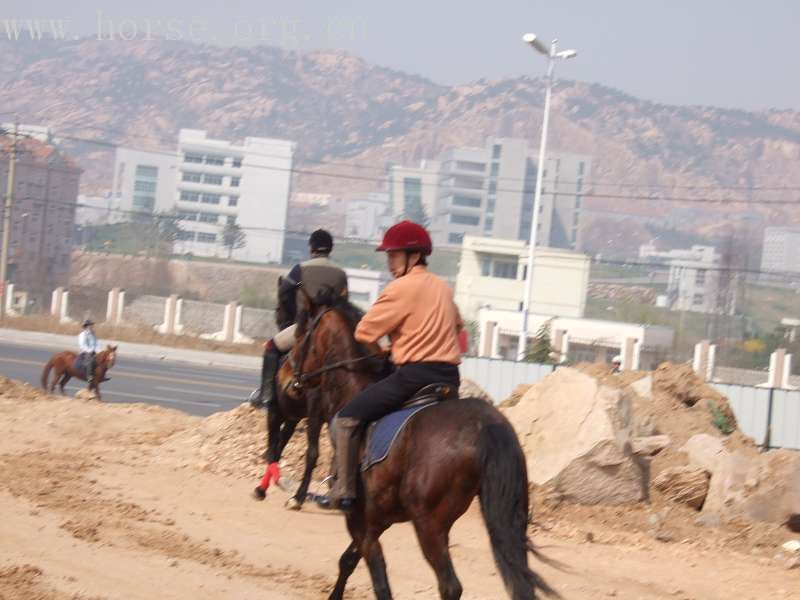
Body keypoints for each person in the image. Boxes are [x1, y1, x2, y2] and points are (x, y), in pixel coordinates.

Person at [324, 220, 463, 512]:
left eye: (393, 255)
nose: (389, 262)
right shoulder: (443, 287)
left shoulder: (400, 287)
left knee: (345, 420)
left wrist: (388, 348)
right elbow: (459, 327)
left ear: (413, 256)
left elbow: (364, 333)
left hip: (414, 377)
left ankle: (345, 491)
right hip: (450, 378)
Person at [253, 229, 348, 408]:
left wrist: (294, 319)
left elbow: (285, 293)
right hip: (333, 333)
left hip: (307, 326)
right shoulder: (341, 274)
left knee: (271, 348)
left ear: (311, 247)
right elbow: (344, 304)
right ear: (330, 249)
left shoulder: (300, 269)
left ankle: (266, 396)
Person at [77, 319, 102, 386]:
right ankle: (89, 377)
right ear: (86, 326)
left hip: (94, 351)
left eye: (92, 325)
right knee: (90, 361)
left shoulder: (93, 334)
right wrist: (89, 351)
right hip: (85, 352)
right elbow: (82, 345)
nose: (91, 326)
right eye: (90, 325)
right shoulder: (83, 334)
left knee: (102, 360)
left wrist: (99, 351)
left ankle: (101, 375)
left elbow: (96, 343)